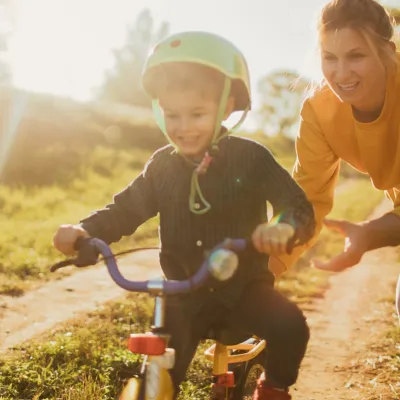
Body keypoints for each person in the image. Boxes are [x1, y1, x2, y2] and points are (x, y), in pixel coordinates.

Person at [53, 31, 316, 399]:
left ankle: (272, 388)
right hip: (181, 297)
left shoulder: (252, 158)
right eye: (172, 114)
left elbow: (299, 207)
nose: (183, 126)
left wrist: (283, 228)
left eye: (197, 113)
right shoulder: (162, 166)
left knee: (291, 325)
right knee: (157, 378)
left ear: (225, 108)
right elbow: (127, 208)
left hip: (243, 291)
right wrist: (85, 230)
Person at [271, 0, 400, 276]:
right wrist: (259, 274)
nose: (341, 74)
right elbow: (308, 200)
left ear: (387, 52)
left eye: (356, 56)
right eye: (330, 57)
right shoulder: (319, 111)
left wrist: (371, 232)